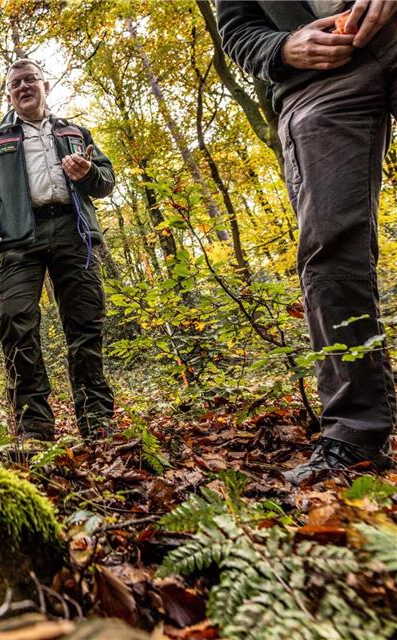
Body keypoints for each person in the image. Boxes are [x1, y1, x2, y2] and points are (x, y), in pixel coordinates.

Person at [217, 0, 396, 484]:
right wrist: (282, 48)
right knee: (327, 248)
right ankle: (354, 435)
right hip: (315, 83)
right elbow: (237, 29)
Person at [0, 58, 115, 442]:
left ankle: (96, 421)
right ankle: (34, 427)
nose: (23, 87)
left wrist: (88, 173)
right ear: (9, 95)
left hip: (73, 231)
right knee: (15, 322)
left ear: (45, 85)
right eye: (15, 83)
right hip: (18, 238)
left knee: (85, 324)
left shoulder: (75, 132)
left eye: (30, 79)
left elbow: (105, 182)